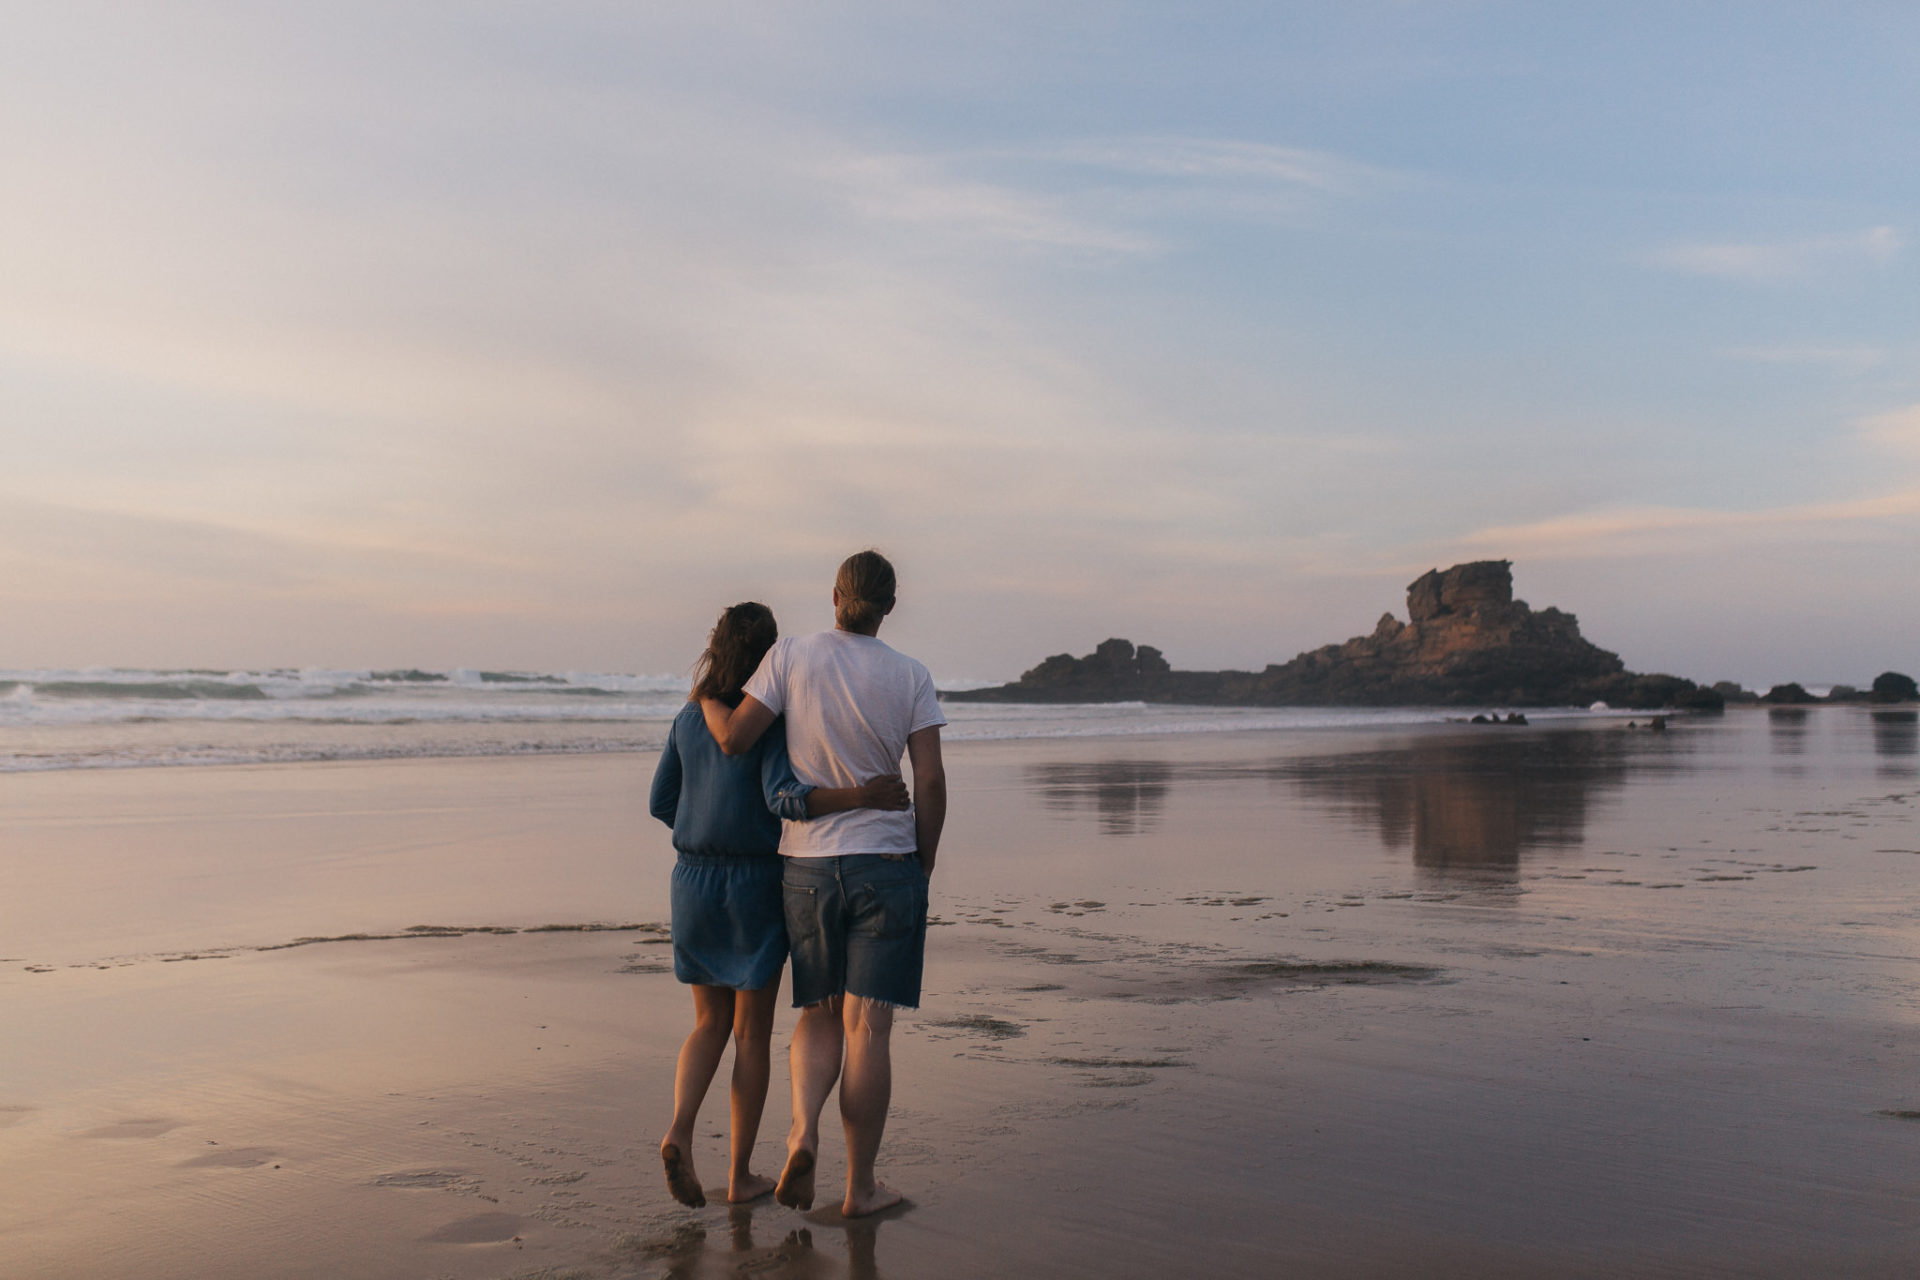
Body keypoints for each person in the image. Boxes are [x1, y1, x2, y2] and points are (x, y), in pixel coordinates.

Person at [701, 550, 947, 1219]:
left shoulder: (790, 656)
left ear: (835, 596)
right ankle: (859, 1187)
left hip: (806, 866)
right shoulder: (912, 676)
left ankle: (802, 1132)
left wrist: (708, 699)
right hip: (886, 865)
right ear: (888, 607)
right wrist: (921, 862)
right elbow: (928, 779)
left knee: (817, 1013)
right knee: (869, 1030)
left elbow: (738, 739)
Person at [649, 601, 910, 1208]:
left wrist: (699, 829)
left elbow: (662, 801)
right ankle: (740, 1176)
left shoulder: (690, 717)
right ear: (769, 656)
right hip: (754, 883)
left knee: (706, 1024)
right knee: (751, 1036)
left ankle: (679, 1131)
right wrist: (860, 797)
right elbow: (784, 797)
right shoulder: (770, 722)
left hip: (691, 880)